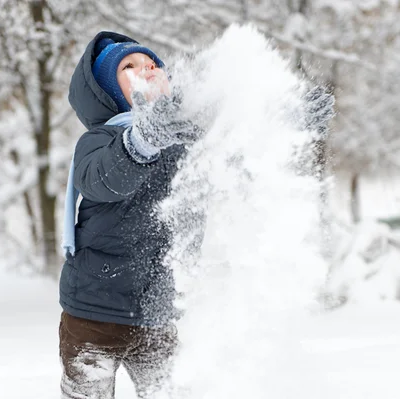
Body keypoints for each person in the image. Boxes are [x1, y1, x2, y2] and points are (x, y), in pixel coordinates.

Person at [59, 30, 335, 399]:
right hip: (92, 311)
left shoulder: (188, 138)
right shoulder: (98, 141)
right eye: (130, 66)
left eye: (152, 63)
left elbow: (240, 153)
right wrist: (144, 138)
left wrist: (291, 126)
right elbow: (105, 181)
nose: (147, 70)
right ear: (108, 90)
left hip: (158, 313)